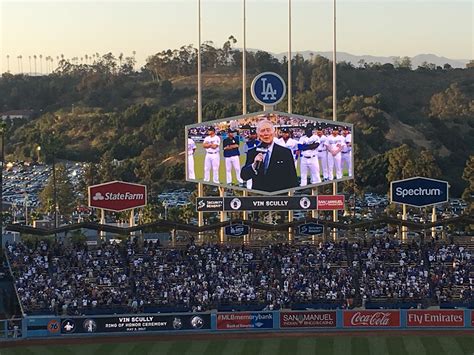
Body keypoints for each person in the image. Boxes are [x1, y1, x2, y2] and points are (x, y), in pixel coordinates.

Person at [241, 120, 298, 192]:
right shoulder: (252, 152)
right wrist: (254, 165)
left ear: (274, 133)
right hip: (259, 198)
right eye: (262, 131)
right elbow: (244, 176)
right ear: (258, 134)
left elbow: (293, 179)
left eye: (268, 130)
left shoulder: (285, 152)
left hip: (280, 198)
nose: (266, 133)